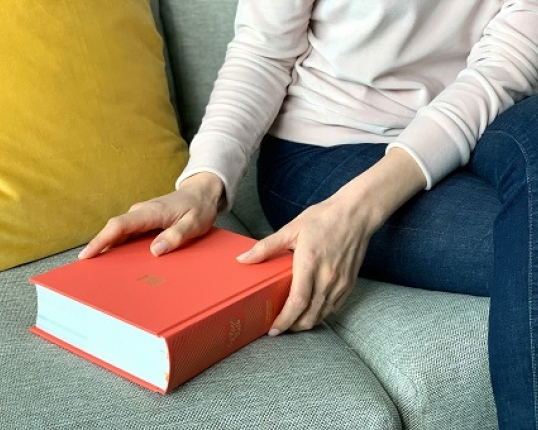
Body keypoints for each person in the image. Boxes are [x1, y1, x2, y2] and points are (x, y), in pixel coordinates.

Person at [78, 1, 538, 428]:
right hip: (332, 148)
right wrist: (204, 182)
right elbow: (263, 53)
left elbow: (501, 71)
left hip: (488, 119)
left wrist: (358, 213)